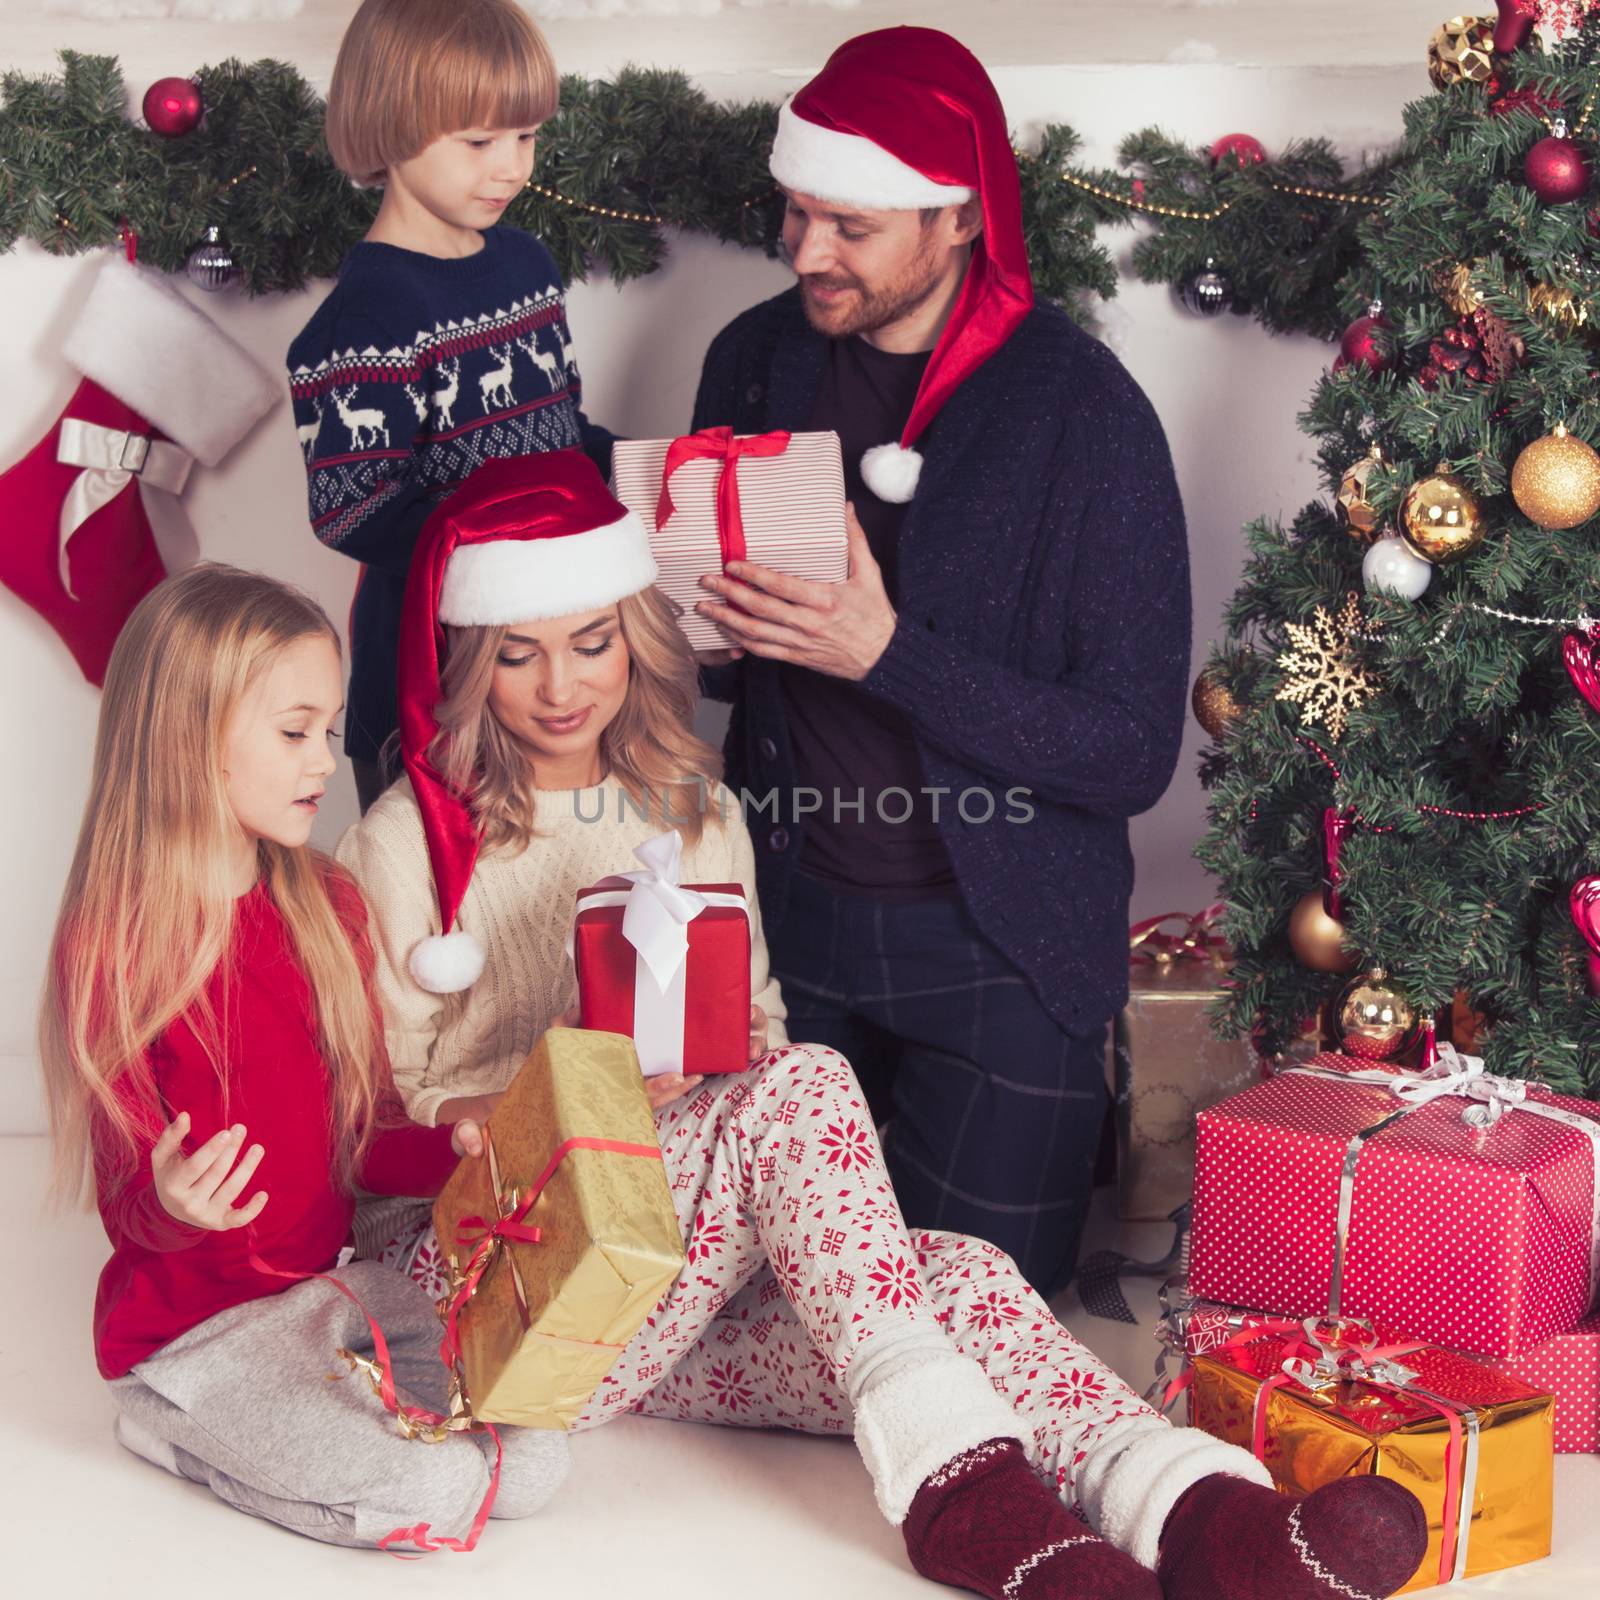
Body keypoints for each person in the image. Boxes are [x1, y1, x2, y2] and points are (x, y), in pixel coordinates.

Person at [339, 452, 1427, 1600]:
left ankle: (1196, 1511)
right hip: (505, 1293)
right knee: (807, 1084)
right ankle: (955, 1495)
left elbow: (748, 1035)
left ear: (635, 637)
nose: (560, 684)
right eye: (517, 653)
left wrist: (690, 1076)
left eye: (591, 641)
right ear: (468, 658)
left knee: (956, 1274)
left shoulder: (692, 805)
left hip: (670, 1289)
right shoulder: (408, 838)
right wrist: (560, 1089)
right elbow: (371, 1128)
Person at [690, 27, 1189, 1295]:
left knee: (971, 1336)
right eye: (797, 212)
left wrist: (887, 653)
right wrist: (683, 621)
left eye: (849, 227)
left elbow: (1128, 752)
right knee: (777, 1327)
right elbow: (724, 664)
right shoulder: (756, 359)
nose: (807, 250)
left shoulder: (1084, 416)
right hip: (784, 927)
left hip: (1001, 951)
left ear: (958, 219)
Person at [39, 564, 568, 1549]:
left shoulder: (326, 905)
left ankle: (297, 1426)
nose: (324, 761)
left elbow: (360, 1145)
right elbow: (129, 1200)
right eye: (294, 733)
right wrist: (171, 1199)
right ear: (187, 736)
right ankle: (167, 1425)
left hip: (331, 1289)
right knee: (438, 1492)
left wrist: (456, 1140)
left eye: (327, 730)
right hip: (196, 1338)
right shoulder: (116, 945)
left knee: (535, 1461)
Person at [287, 0, 613, 813]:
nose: (511, 167)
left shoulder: (525, 263)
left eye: (526, 137)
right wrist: (502, 546)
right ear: (390, 131)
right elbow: (350, 510)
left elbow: (563, 436)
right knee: (439, 912)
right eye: (478, 142)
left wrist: (662, 472)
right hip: (432, 680)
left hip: (554, 660)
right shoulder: (371, 316)